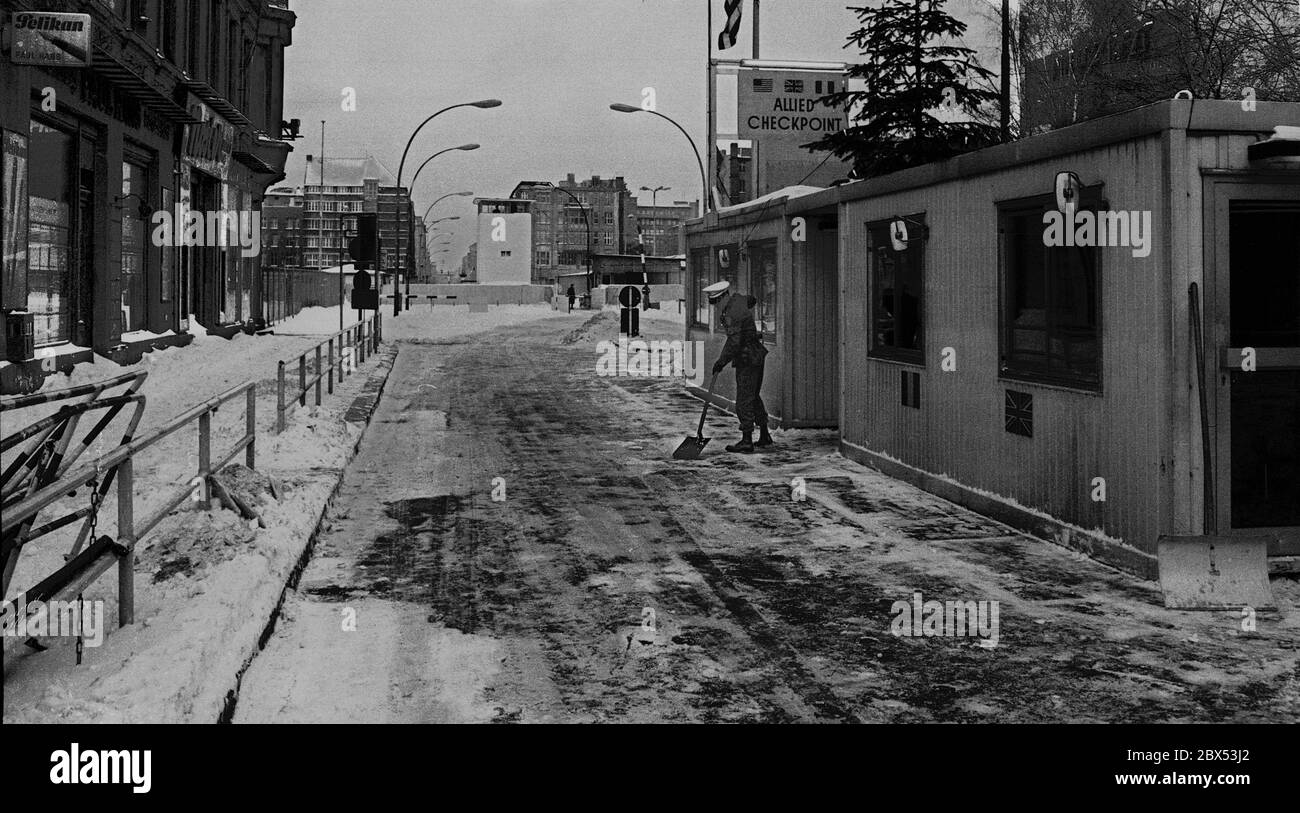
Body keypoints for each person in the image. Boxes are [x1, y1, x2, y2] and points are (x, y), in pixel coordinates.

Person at [705, 280, 773, 453]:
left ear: (722, 298)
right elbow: (752, 299)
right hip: (755, 354)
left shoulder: (733, 312)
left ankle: (747, 440)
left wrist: (721, 361)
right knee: (753, 396)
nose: (715, 307)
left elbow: (734, 342)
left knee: (744, 399)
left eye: (715, 302)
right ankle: (764, 435)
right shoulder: (737, 301)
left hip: (748, 357)